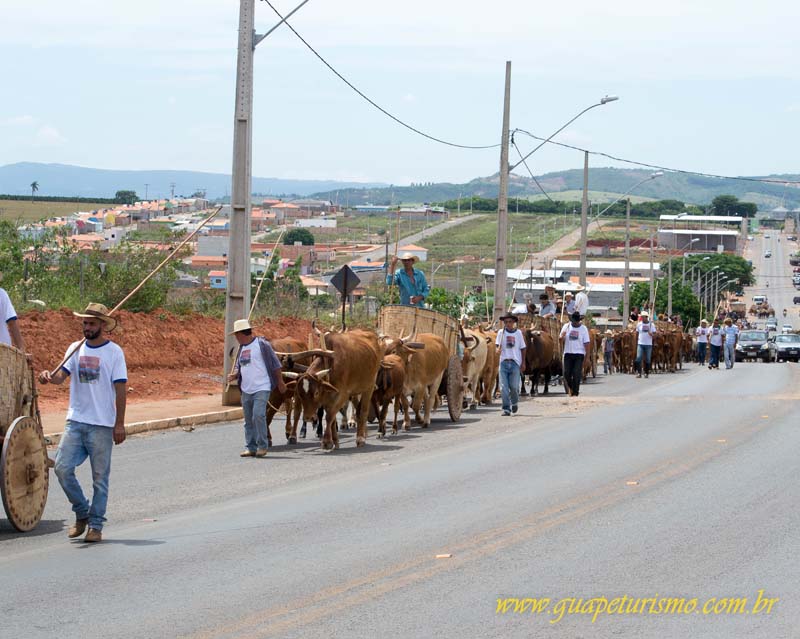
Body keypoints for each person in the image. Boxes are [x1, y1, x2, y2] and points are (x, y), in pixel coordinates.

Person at [38, 303, 127, 543]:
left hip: (102, 424)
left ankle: (96, 525)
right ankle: (82, 512)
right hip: (76, 420)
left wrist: (119, 424)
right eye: (85, 323)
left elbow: (121, 389)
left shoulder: (114, 352)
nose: (87, 327)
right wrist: (48, 376)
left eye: (92, 323)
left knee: (100, 478)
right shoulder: (74, 349)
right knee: (62, 468)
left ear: (102, 326)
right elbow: (59, 377)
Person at [226, 319, 287, 458]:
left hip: (262, 386)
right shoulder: (242, 348)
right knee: (248, 420)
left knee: (258, 415)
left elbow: (276, 365)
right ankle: (250, 447)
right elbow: (242, 366)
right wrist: (234, 375)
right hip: (246, 389)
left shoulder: (262, 345)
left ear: (242, 334)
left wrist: (280, 382)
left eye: (236, 334)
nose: (236, 337)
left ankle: (262, 446)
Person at [495, 313, 526, 416]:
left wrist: (523, 363)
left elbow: (523, 348)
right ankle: (506, 409)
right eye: (506, 322)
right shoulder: (501, 332)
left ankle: (515, 402)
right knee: (503, 387)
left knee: (514, 386)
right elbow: (497, 347)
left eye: (510, 322)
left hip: (515, 363)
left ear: (514, 323)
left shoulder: (518, 333)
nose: (508, 324)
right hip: (503, 362)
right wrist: (497, 350)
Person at [559, 311, 591, 396]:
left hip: (579, 354)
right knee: (566, 373)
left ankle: (575, 393)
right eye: (573, 321)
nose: (575, 323)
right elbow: (560, 340)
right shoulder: (566, 327)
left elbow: (587, 343)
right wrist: (562, 336)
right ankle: (571, 388)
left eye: (576, 321)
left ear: (579, 321)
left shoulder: (583, 329)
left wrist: (587, 357)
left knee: (576, 373)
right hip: (568, 353)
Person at [0, 286, 30, 360]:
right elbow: (12, 323)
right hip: (3, 352)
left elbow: (12, 322)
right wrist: (21, 349)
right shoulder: (1, 294)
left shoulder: (2, 294)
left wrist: (21, 349)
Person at [635, 310, 657, 378]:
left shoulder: (651, 324)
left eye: (643, 317)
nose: (642, 318)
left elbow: (655, 334)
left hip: (648, 344)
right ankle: (639, 373)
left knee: (647, 359)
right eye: (642, 317)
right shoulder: (639, 324)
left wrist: (651, 334)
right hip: (640, 343)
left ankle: (646, 373)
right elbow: (637, 333)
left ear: (646, 317)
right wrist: (636, 341)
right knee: (638, 358)